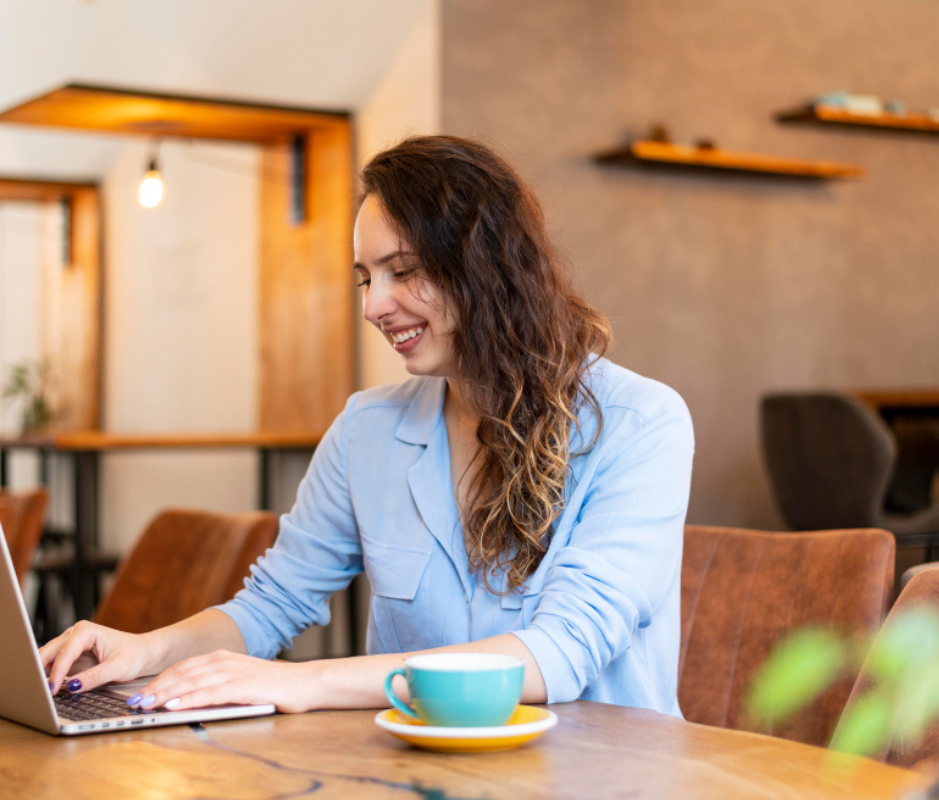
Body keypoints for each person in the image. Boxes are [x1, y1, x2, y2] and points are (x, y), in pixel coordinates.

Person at [41, 135, 694, 717]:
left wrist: (307, 681)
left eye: (403, 271)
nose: (374, 306)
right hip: (415, 777)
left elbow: (558, 654)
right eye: (366, 278)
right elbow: (272, 604)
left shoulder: (642, 425)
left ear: (486, 266)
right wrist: (144, 650)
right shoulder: (368, 430)